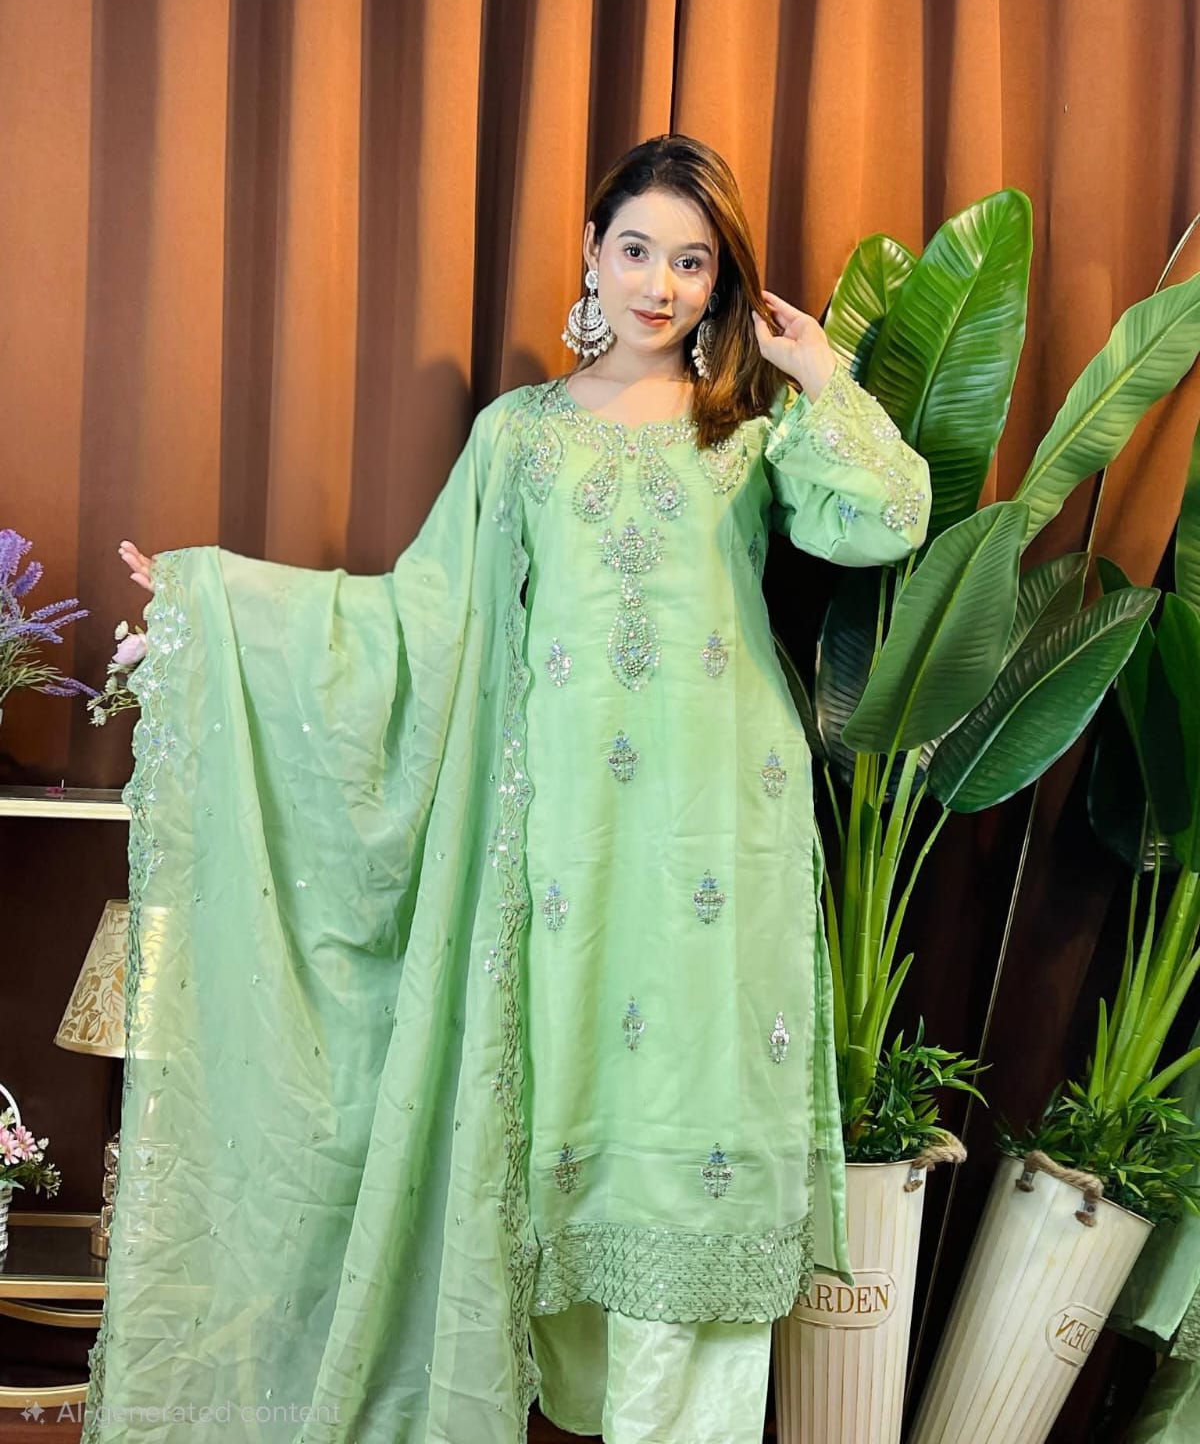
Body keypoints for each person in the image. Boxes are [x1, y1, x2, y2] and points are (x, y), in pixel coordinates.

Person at [98, 134, 930, 1444]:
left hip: (724, 845)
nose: (660, 285)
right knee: (572, 1126)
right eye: (638, 250)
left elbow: (884, 522)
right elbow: (419, 620)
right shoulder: (520, 438)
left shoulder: (746, 439)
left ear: (722, 283)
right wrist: (217, 603)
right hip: (564, 856)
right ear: (593, 254)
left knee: (696, 1131)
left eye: (692, 263)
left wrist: (818, 371)